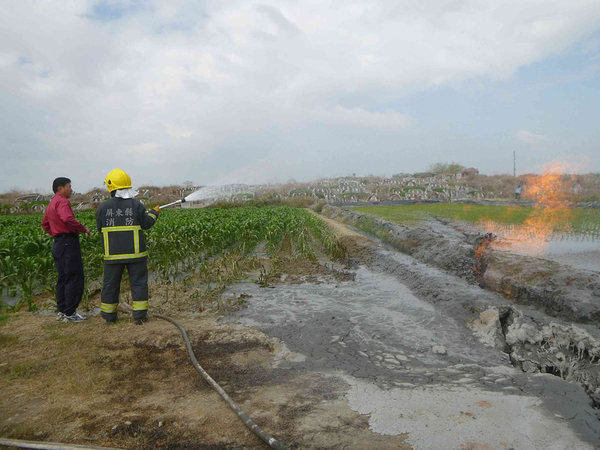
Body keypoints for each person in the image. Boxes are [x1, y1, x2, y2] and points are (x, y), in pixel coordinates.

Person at [96, 169, 160, 325]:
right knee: (138, 283)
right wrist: (154, 213)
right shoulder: (136, 205)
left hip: (112, 255)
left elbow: (100, 229)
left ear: (111, 187)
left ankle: (110, 318)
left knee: (110, 285)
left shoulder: (103, 208)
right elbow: (146, 224)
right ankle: (139, 317)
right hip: (136, 255)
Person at [41, 177, 91, 323]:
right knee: (73, 277)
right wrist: (82, 229)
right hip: (68, 243)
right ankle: (70, 313)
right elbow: (67, 219)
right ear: (60, 188)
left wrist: (57, 234)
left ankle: (62, 311)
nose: (71, 189)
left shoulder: (52, 203)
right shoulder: (63, 201)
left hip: (59, 244)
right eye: (69, 186)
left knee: (62, 277)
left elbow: (45, 224)